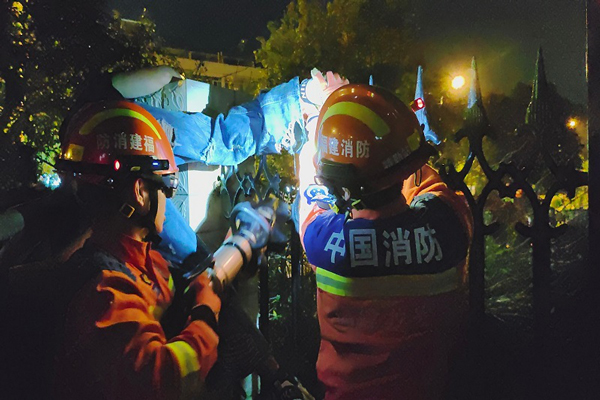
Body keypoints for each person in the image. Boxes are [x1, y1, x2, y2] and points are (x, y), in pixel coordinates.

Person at [297, 84, 473, 400]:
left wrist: (321, 124)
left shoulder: (323, 241)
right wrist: (392, 141)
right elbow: (430, 186)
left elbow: (309, 189)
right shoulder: (449, 226)